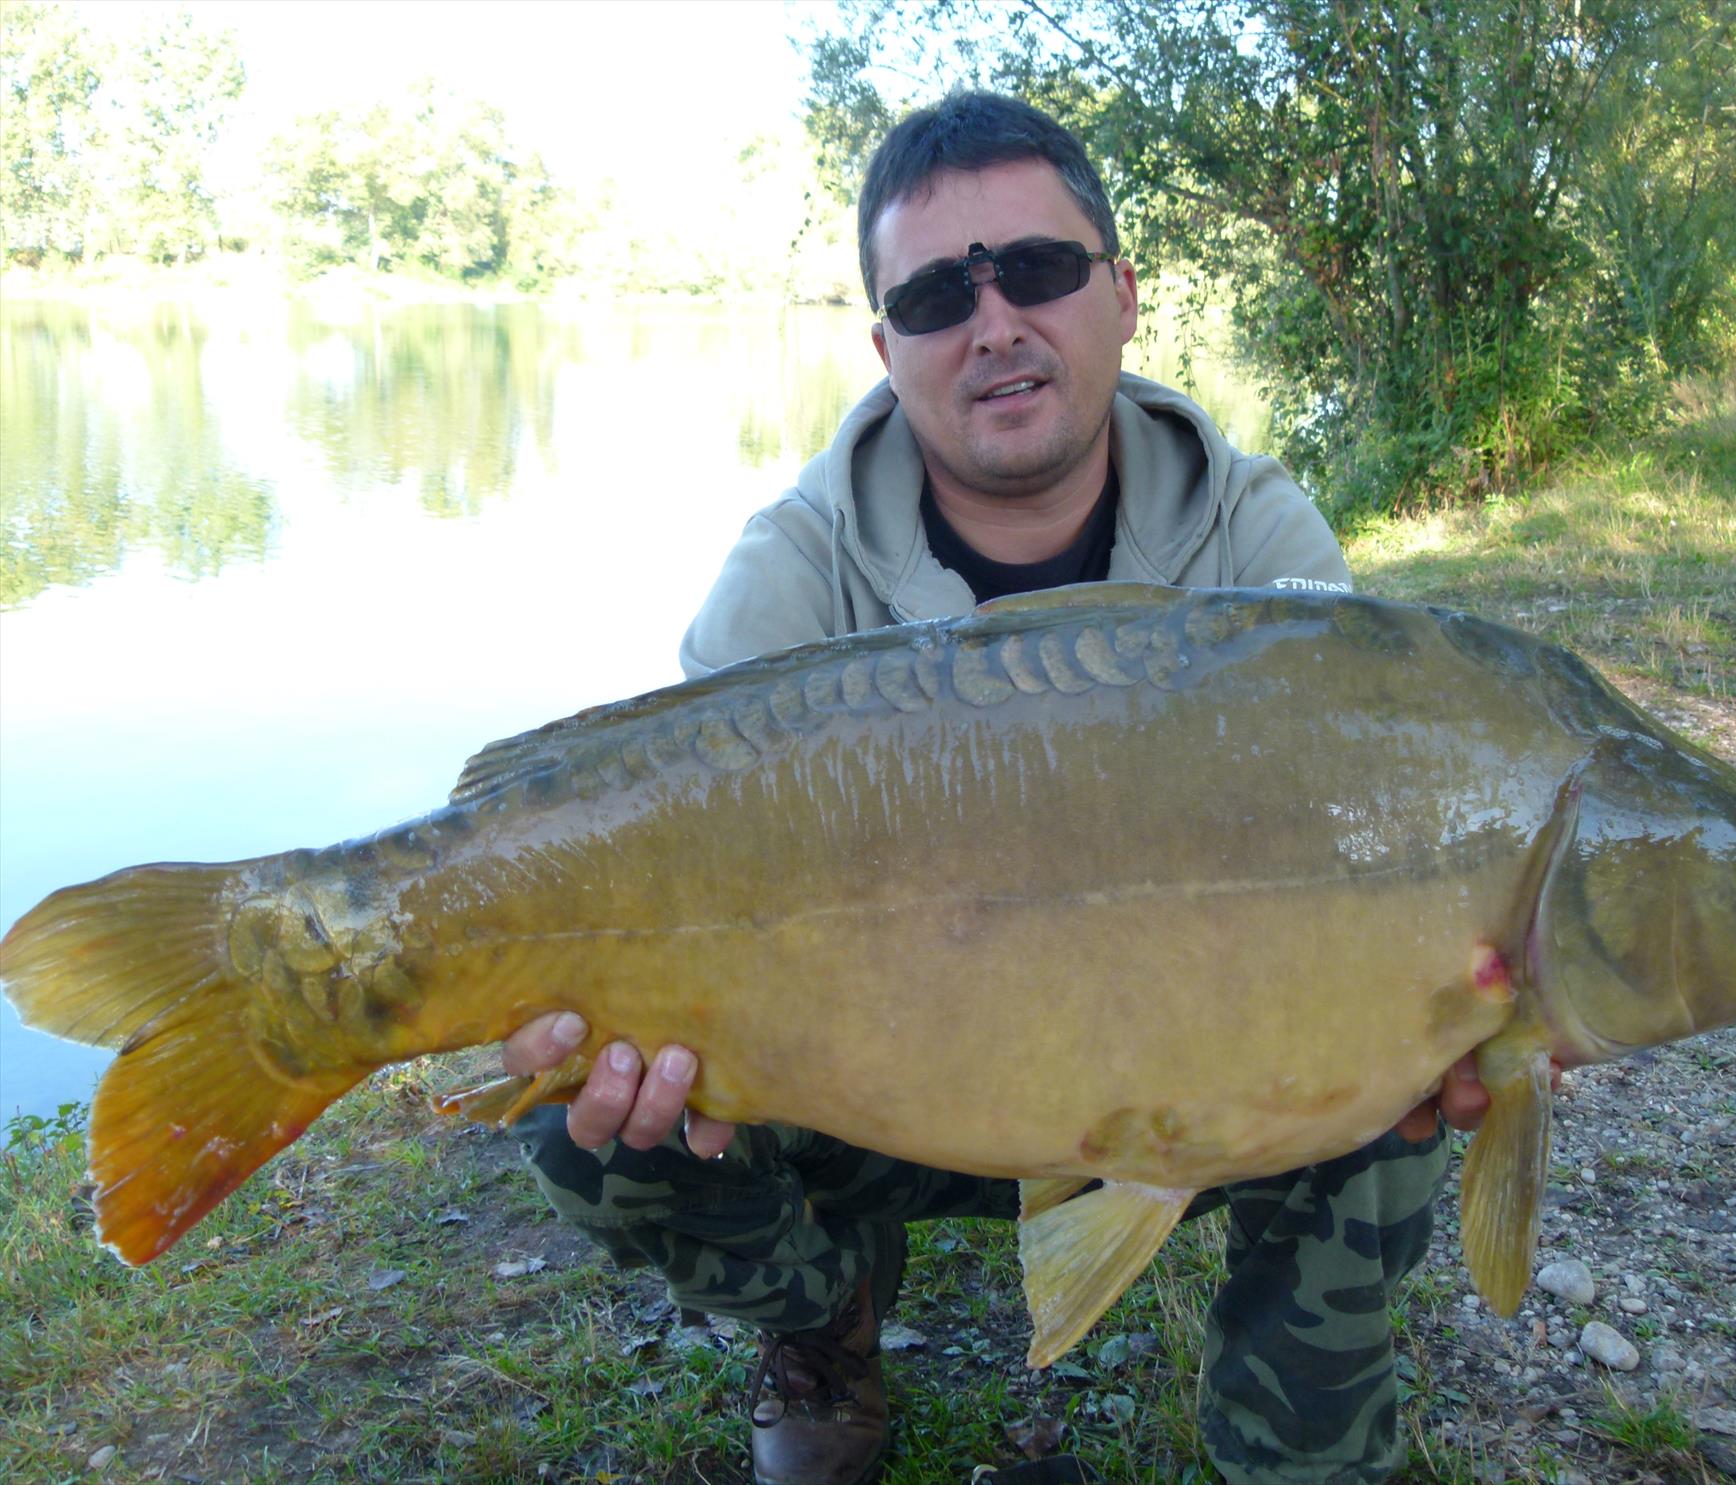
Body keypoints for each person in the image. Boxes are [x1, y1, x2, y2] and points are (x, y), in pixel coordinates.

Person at [501, 92, 1492, 1485]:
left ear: (1123, 295)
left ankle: (1301, 1431)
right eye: (932, 296)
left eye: (1036, 270)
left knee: (1405, 1056)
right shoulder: (788, 579)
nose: (995, 325)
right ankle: (821, 1319)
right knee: (577, 1116)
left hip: (1178, 1057)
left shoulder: (1259, 542)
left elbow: (1352, 857)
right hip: (880, 1080)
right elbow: (676, 872)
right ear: (885, 345)